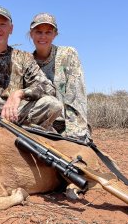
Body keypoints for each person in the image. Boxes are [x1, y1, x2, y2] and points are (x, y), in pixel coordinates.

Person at [28, 12, 90, 142]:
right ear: (31, 34)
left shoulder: (68, 54)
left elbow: (76, 95)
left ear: (55, 34)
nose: (43, 36)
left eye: (48, 32)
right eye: (38, 32)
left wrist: (74, 133)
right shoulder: (26, 61)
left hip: (66, 125)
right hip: (37, 124)